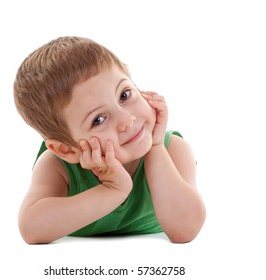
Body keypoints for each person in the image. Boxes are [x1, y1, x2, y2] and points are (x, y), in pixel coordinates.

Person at [13, 36, 206, 244]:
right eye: (99, 119)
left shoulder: (174, 149)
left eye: (124, 95)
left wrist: (156, 147)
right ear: (68, 150)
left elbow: (186, 229)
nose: (127, 120)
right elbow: (31, 229)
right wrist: (113, 190)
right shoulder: (56, 167)